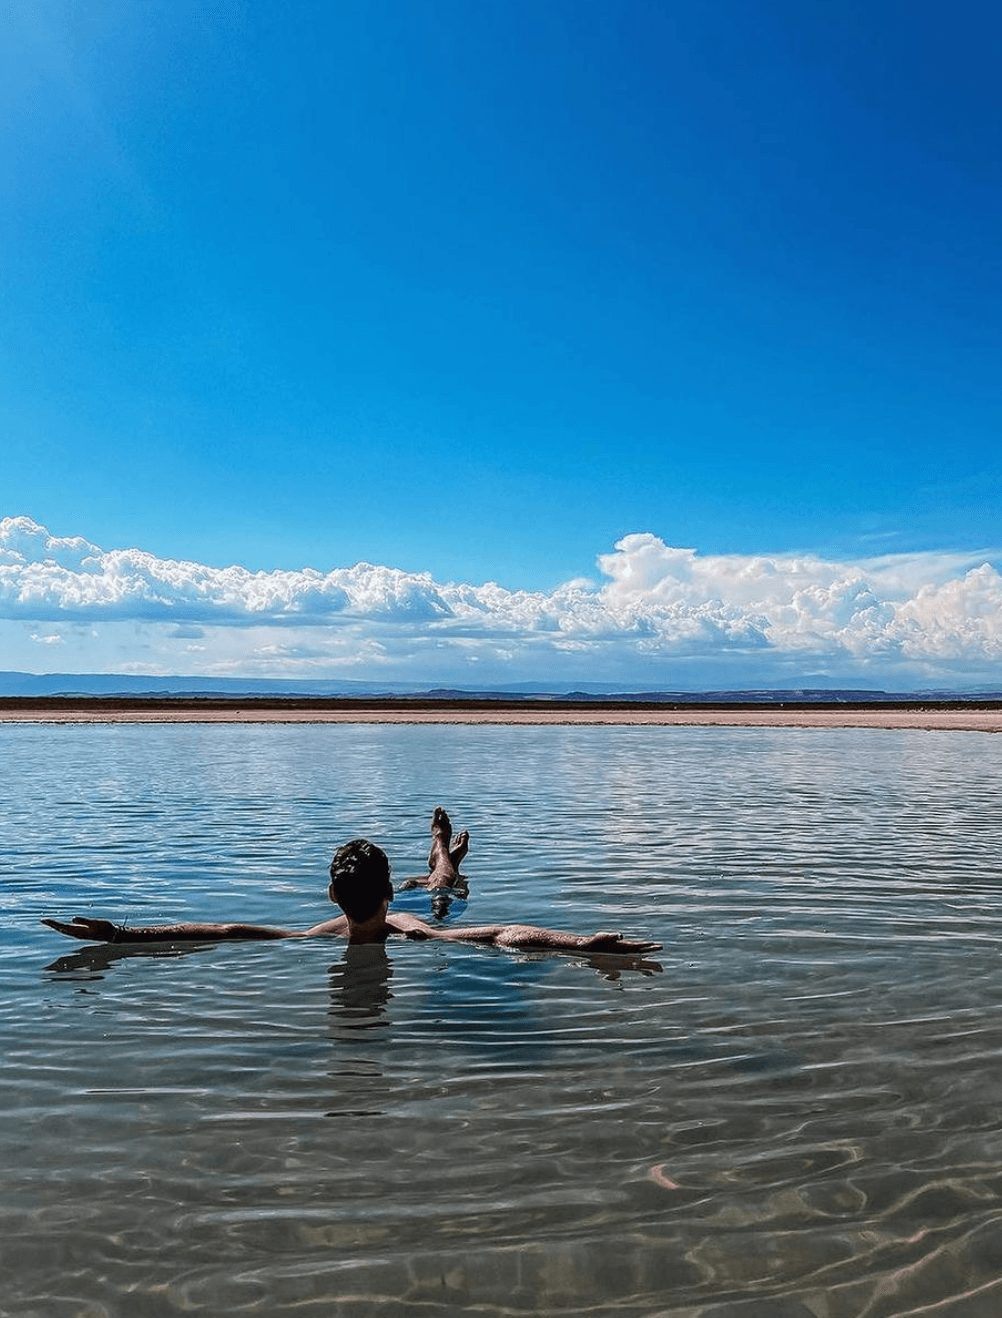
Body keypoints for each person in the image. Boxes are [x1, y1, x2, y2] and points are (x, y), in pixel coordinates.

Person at [41, 809, 660, 957]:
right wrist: (577, 944)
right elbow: (504, 934)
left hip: (404, 903)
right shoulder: (408, 927)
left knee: (442, 884)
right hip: (419, 905)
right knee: (442, 892)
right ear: (385, 896)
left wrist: (124, 933)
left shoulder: (316, 933)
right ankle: (444, 853)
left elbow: (224, 931)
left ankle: (444, 849)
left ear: (331, 894)